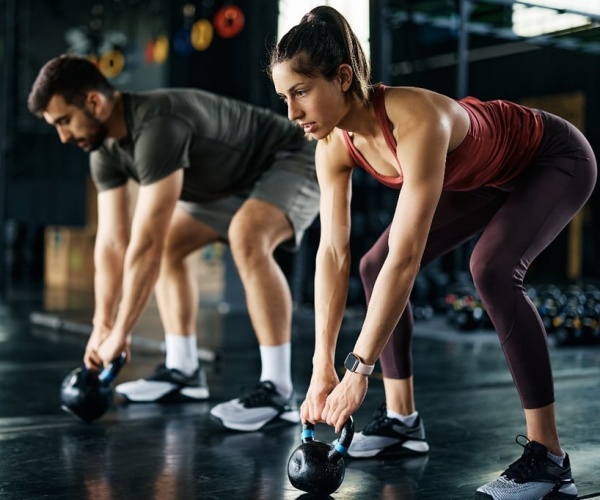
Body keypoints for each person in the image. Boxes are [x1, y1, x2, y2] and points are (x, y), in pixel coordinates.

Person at [269, 6, 596, 499]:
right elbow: (332, 253)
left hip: (553, 158)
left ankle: (549, 460)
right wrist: (322, 368)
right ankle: (402, 421)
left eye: (301, 92)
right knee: (370, 263)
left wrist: (359, 369)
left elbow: (408, 257)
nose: (292, 112)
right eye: (283, 97)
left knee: (491, 268)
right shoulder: (333, 145)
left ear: (341, 77)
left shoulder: (416, 117)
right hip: (485, 177)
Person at [28, 54, 320, 432]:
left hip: (292, 159)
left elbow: (143, 243)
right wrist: (102, 325)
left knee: (247, 236)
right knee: (170, 247)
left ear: (94, 103)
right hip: (230, 185)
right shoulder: (102, 150)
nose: (63, 137)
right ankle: (182, 371)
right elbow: (113, 242)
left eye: (64, 121)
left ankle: (279, 392)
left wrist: (121, 332)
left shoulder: (157, 125)